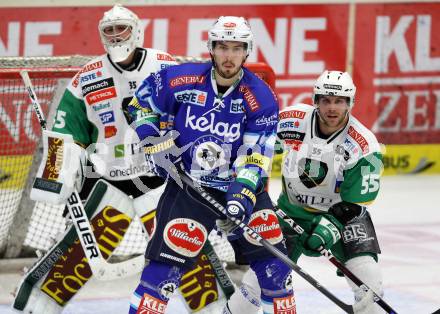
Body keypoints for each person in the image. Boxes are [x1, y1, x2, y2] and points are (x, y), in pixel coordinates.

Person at [127, 16, 296, 314]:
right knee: (161, 275)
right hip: (188, 187)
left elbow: (256, 155)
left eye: (236, 48)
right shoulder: (181, 79)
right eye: (222, 47)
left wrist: (242, 192)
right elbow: (140, 104)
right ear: (211, 48)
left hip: (240, 189)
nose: (229, 56)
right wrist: (151, 138)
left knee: (276, 273)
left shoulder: (261, 97)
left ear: (247, 51)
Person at [12, 4, 176, 313]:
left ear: (137, 30)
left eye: (122, 28)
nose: (116, 36)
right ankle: (38, 306)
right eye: (109, 30)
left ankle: (216, 306)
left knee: (182, 247)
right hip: (107, 181)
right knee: (77, 257)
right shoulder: (87, 77)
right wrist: (56, 173)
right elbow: (64, 130)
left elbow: (188, 115)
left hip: (158, 179)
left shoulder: (164, 66)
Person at [232, 70, 385, 313]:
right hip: (289, 213)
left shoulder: (364, 144)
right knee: (257, 283)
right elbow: (257, 147)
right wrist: (248, 181)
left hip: (343, 217)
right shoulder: (292, 120)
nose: (332, 107)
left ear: (350, 103)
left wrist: (331, 225)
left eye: (339, 101)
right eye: (325, 100)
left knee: (369, 286)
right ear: (315, 100)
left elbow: (357, 202)